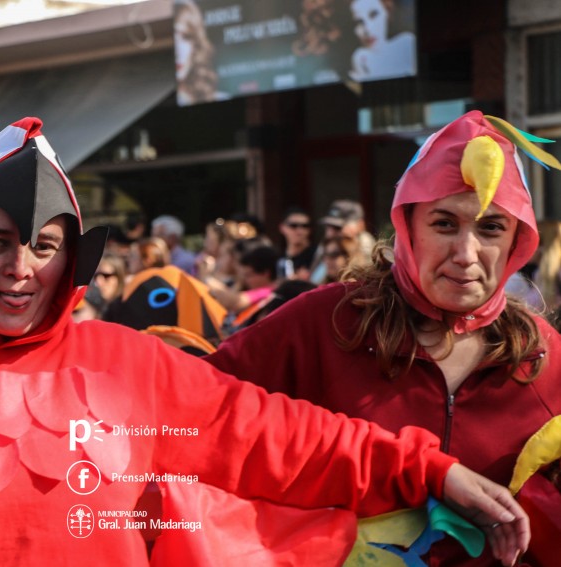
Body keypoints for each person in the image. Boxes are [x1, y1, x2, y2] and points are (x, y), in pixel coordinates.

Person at [0, 117, 528, 566]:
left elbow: (287, 439)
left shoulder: (134, 369)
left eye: (45, 244)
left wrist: (430, 469)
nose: (22, 269)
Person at [206, 111, 561, 566]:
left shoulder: (543, 354)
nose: (466, 254)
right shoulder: (324, 321)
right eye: (444, 223)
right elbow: (198, 407)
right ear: (408, 227)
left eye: (491, 228)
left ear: (518, 243)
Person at [349, 0, 417, 81]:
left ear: (387, 13)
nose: (367, 29)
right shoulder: (360, 57)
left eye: (373, 15)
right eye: (359, 22)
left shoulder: (407, 43)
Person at [173, 0, 222, 105]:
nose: (178, 52)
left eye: (185, 37)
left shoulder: (219, 97)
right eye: (173, 38)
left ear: (196, 46)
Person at [275, 207, 316, 282]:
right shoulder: (277, 258)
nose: (299, 231)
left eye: (305, 226)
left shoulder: (317, 255)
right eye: (293, 225)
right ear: (282, 228)